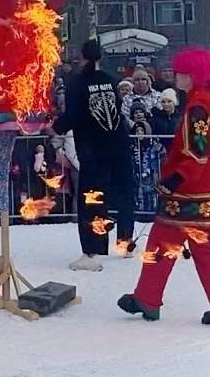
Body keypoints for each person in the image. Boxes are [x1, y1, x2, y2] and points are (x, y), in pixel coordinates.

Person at [119, 48, 210, 324]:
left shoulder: (198, 107)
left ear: (192, 75)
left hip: (188, 191)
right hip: (193, 193)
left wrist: (176, 177)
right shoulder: (198, 101)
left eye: (181, 72)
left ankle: (147, 298)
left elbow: (200, 151)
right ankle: (147, 297)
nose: (175, 76)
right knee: (177, 244)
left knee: (179, 245)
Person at [54, 39, 135, 271]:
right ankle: (125, 241)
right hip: (118, 145)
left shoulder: (76, 84)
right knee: (123, 191)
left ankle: (91, 251)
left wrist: (55, 126)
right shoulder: (111, 80)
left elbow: (75, 116)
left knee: (92, 197)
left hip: (93, 150)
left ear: (82, 56)